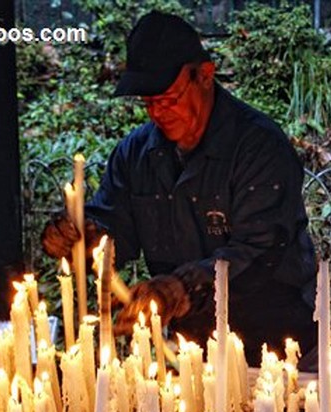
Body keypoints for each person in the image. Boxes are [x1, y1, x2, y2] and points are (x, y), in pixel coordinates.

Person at [41, 11, 317, 364]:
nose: (158, 112)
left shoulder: (259, 147)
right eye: (148, 102)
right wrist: (79, 235)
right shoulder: (137, 154)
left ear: (204, 75)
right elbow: (113, 232)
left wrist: (182, 286)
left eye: (168, 99)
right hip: (192, 348)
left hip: (276, 344)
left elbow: (258, 251)